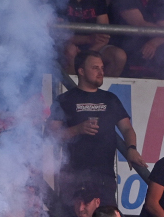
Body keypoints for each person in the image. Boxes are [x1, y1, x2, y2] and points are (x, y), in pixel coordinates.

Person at [49, 51, 145, 208]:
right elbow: (51, 135)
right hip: (74, 176)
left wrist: (132, 148)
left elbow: (127, 128)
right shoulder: (65, 100)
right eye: (95, 68)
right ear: (81, 71)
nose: (101, 72)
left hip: (104, 176)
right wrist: (77, 129)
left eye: (102, 68)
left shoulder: (110, 99)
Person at [58, 0, 126, 77]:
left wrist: (89, 52)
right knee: (71, 51)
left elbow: (105, 33)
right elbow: (59, 35)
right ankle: (72, 85)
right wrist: (88, 39)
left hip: (94, 46)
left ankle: (100, 84)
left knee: (119, 56)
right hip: (68, 45)